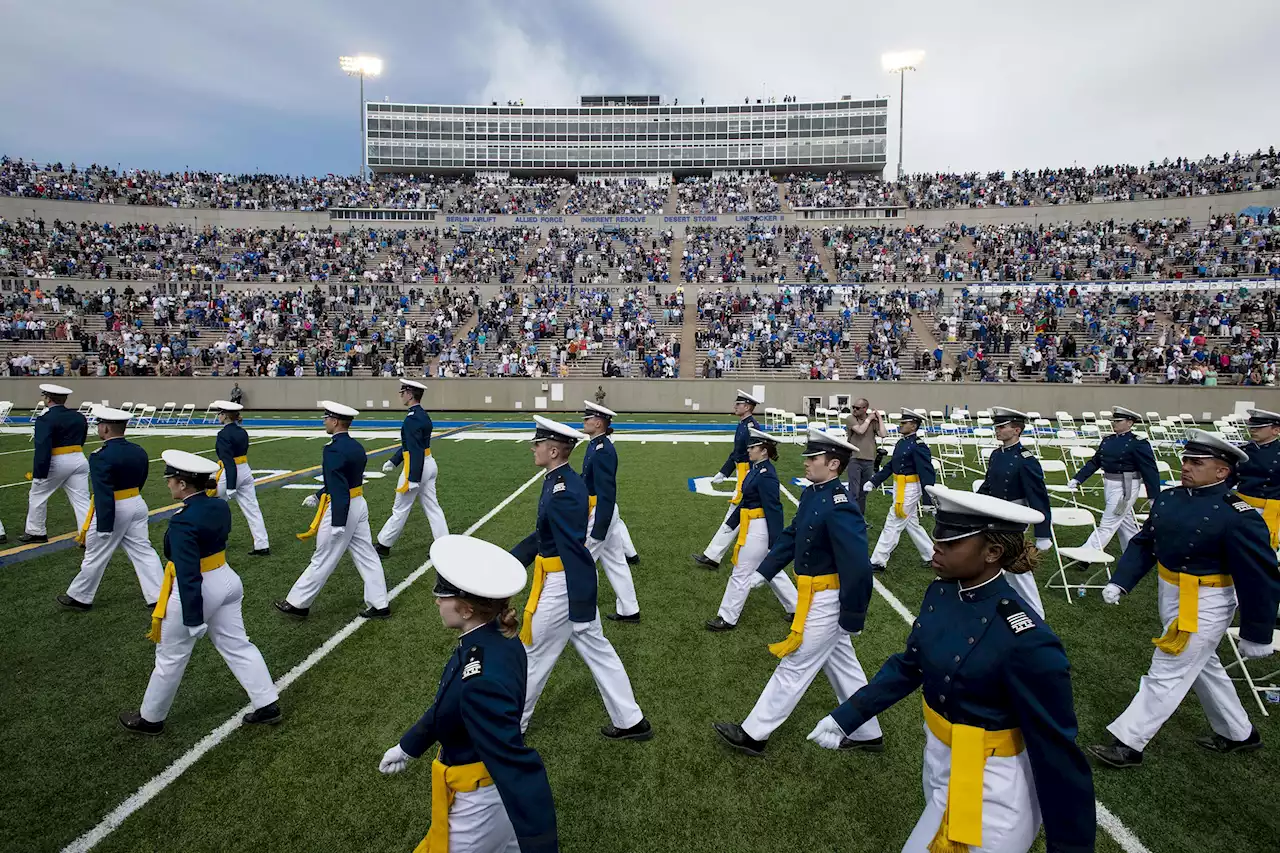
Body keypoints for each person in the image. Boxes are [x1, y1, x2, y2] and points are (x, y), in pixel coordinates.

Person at [807, 486, 1096, 853]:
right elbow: (910, 665)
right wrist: (848, 715)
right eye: (938, 538)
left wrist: (1071, 846)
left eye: (951, 542)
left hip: (994, 786)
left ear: (993, 552)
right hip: (941, 761)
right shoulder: (941, 592)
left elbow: (1057, 751)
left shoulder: (1026, 638)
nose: (936, 548)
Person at [1089, 430, 1280, 768]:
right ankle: (1240, 733)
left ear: (1222, 472)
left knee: (1167, 668)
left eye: (1197, 462)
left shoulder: (1238, 515)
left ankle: (1128, 743)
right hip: (1170, 591)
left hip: (1206, 599)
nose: (1186, 467)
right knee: (1204, 664)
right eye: (1186, 460)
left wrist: (1256, 632)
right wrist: (1121, 581)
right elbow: (1146, 543)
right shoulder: (1170, 498)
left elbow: (1259, 576)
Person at [378, 535, 558, 853]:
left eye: (442, 596)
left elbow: (514, 763)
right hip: (488, 795)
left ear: (465, 609)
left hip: (479, 804)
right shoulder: (492, 639)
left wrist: (541, 843)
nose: (437, 602)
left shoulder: (481, 674)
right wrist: (409, 746)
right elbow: (450, 704)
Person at [713, 426, 883, 756]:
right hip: (814, 595)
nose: (806, 462)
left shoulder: (840, 505)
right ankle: (866, 731)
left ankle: (753, 733)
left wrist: (852, 615)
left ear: (834, 464)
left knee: (795, 664)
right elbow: (792, 535)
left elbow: (858, 567)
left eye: (813, 457)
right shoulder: (812, 493)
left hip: (827, 600)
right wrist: (765, 571)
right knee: (844, 668)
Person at [119, 450, 280, 735]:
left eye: (171, 479)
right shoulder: (217, 506)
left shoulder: (183, 520)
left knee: (170, 656)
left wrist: (193, 618)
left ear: (182, 484)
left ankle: (151, 718)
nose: (167, 484)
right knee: (238, 644)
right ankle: (267, 702)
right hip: (226, 578)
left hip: (200, 588)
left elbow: (189, 573)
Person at [513, 416, 652, 741]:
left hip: (564, 588)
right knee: (599, 651)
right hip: (569, 584)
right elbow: (544, 536)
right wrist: (513, 559)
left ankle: (510, 727)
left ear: (554, 450)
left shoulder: (562, 489)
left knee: (532, 654)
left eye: (538, 444)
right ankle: (632, 721)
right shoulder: (560, 480)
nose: (533, 448)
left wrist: (579, 601)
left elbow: (574, 553)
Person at [275, 402, 390, 619]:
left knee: (323, 556)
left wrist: (338, 521)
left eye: (326, 418)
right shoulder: (356, 447)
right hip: (358, 503)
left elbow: (339, 487)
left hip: (342, 508)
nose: (324, 421)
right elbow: (343, 480)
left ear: (335, 421)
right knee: (367, 555)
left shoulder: (333, 449)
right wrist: (319, 495)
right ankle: (380, 603)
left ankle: (298, 603)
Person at [58, 406, 163, 611]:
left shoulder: (100, 456)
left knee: (96, 553)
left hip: (114, 507)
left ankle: (80, 596)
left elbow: (103, 492)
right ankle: (158, 595)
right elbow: (141, 479)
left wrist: (104, 527)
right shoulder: (138, 450)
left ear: (105, 428)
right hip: (136, 501)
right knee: (143, 550)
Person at [706, 427, 798, 631]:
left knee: (741, 572)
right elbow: (747, 500)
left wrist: (775, 541)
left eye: (753, 447)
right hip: (752, 523)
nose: (749, 450)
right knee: (770, 569)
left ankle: (727, 617)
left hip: (759, 527)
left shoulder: (766, 475)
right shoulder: (756, 469)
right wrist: (731, 523)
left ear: (764, 450)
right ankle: (797, 607)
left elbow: (774, 509)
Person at [976, 406, 1053, 618]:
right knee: (993, 560)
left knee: (1015, 564)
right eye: (997, 426)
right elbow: (988, 485)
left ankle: (1036, 613)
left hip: (1014, 516)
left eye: (1002, 426)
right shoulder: (996, 454)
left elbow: (1038, 498)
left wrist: (1043, 533)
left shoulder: (1026, 460)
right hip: (993, 513)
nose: (997, 430)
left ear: (1017, 430)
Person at [1067, 406, 1162, 553]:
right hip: (1109, 484)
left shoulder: (1138, 443)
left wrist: (1153, 496)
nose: (1114, 423)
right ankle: (1135, 552)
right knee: (1125, 522)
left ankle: (1087, 552)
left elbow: (1150, 471)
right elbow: (1095, 462)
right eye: (1113, 420)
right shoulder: (1108, 440)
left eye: (1118, 421)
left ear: (1130, 423)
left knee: (1109, 521)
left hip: (1126, 487)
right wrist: (1078, 479)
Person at [580, 402, 641, 623]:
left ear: (598, 423)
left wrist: (599, 528)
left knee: (582, 559)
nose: (584, 422)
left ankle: (581, 607)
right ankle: (629, 610)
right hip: (603, 511)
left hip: (600, 512)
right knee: (616, 561)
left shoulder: (603, 450)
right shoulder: (596, 445)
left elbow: (607, 492)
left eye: (587, 419)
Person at [376, 379, 449, 557]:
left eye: (403, 392)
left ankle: (384, 545)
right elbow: (413, 445)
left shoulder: (412, 419)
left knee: (400, 508)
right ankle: (444, 544)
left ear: (410, 394)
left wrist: (413, 478)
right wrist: (394, 461)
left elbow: (414, 449)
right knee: (433, 507)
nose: (401, 395)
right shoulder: (422, 415)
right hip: (428, 462)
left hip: (417, 467)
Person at [692, 390, 762, 569]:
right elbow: (736, 453)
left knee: (735, 515)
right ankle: (714, 555)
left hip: (747, 474)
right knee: (740, 516)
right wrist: (724, 472)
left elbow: (756, 454)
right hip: (742, 472)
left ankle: (713, 555)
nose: (735, 406)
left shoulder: (751, 427)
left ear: (747, 407)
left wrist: (750, 478)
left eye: (738, 404)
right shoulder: (743, 424)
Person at [867, 409, 936, 571]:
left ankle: (878, 560)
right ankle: (932, 555)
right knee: (912, 524)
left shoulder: (919, 446)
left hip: (910, 488)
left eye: (904, 423)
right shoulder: (902, 442)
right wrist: (875, 481)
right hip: (900, 486)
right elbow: (892, 465)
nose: (901, 425)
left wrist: (927, 499)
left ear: (913, 426)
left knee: (893, 522)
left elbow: (927, 473)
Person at [22, 383, 90, 543]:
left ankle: (36, 531)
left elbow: (43, 447)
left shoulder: (45, 419)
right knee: (81, 499)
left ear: (48, 398)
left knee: (38, 495)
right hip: (78, 457)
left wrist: (39, 473)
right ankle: (89, 534)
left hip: (57, 460)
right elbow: (82, 439)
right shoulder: (79, 416)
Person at [209, 400, 270, 556]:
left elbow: (228, 462)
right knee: (253, 509)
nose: (218, 417)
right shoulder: (242, 432)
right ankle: (262, 544)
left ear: (224, 416)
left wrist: (230, 486)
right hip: (245, 469)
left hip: (230, 473)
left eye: (219, 414)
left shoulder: (223, 434)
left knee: (212, 505)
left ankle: (216, 541)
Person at [1235, 408, 1280, 551]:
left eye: (1259, 427)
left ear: (1275, 430)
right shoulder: (1241, 451)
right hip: (1243, 505)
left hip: (1272, 509)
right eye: (1252, 427)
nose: (1253, 430)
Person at [844, 398, 885, 515]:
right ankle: (850, 516)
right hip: (854, 458)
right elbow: (860, 431)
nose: (854, 410)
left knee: (863, 492)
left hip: (869, 459)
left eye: (857, 408)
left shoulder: (871, 420)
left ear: (865, 409)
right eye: (853, 407)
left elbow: (883, 434)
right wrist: (869, 419)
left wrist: (879, 418)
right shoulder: (851, 418)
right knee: (854, 491)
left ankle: (860, 517)